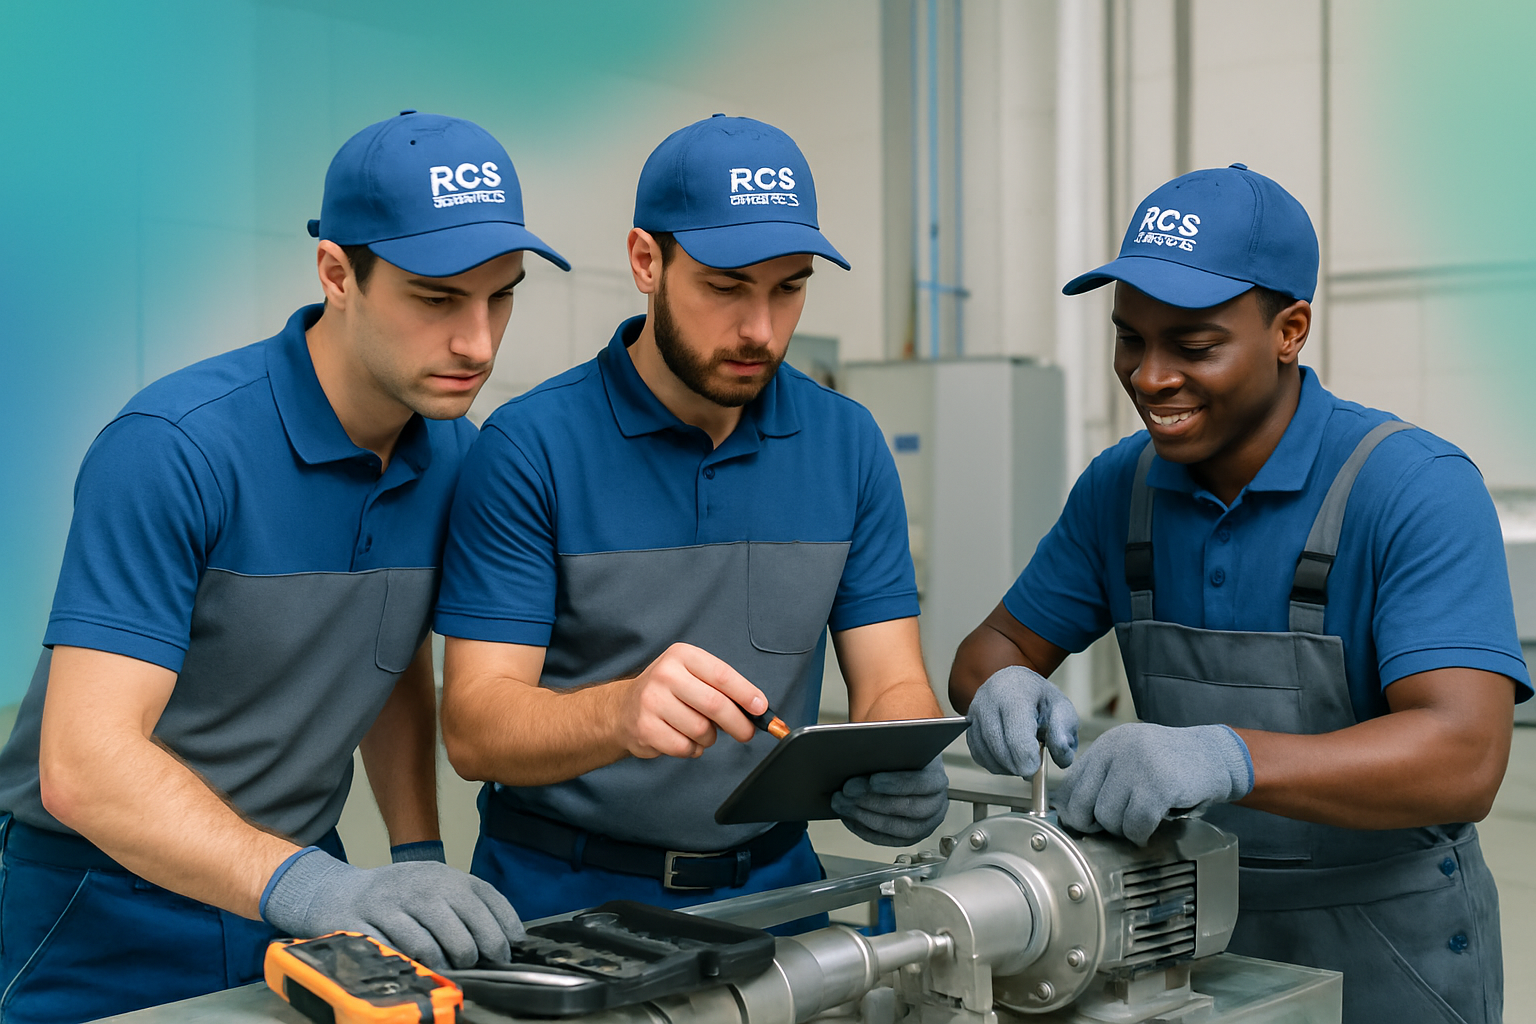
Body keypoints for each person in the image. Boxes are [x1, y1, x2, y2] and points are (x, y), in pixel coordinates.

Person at [0, 110, 569, 1023]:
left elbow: (385, 664)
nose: (479, 343)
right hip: (104, 898)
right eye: (437, 300)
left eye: (500, 296)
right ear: (337, 272)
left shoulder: (452, 455)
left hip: (305, 892)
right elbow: (84, 764)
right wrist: (318, 889)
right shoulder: (173, 449)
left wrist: (414, 854)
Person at [949, 163, 1530, 1023]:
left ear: (1290, 329)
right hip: (1178, 941)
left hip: (1385, 953)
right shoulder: (1121, 491)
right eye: (1129, 339)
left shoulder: (1411, 487)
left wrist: (1227, 756)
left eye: (1193, 346)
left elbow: (1465, 758)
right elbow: (990, 649)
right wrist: (998, 685)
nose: (1149, 378)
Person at [435, 114, 949, 927]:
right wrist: (617, 713)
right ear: (647, 261)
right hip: (563, 901)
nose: (761, 329)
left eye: (789, 287)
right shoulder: (530, 448)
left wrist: (900, 757)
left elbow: (891, 678)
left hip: (778, 893)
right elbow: (474, 727)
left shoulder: (846, 444)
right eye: (725, 286)